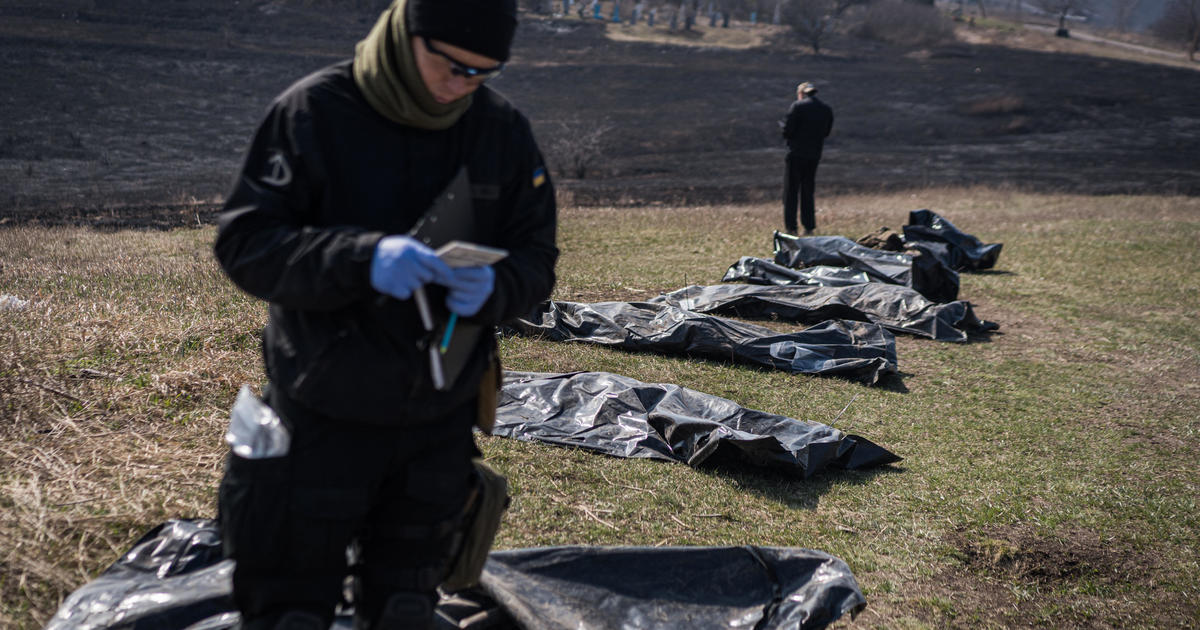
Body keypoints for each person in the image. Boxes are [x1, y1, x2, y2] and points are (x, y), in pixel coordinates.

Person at [212, 0, 558, 627]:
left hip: (438, 420)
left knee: (404, 609)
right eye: (451, 66)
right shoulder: (313, 112)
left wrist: (500, 286)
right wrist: (358, 257)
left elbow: (536, 256)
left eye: (483, 73)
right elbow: (245, 245)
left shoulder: (500, 131)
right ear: (407, 33)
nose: (463, 86)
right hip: (319, 414)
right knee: (290, 608)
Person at [780, 81, 833, 236]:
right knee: (808, 190)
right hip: (814, 155)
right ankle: (809, 226)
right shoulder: (826, 109)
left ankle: (791, 227)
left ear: (801, 93)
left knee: (791, 191)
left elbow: (788, 131)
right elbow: (826, 132)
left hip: (796, 154)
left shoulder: (798, 106)